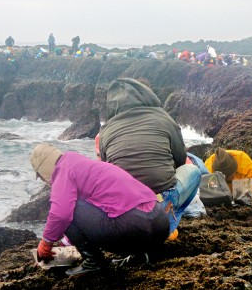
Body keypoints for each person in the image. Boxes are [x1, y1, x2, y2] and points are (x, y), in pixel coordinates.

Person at [30, 143, 169, 276]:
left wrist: (46, 242)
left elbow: (61, 214)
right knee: (112, 205)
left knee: (69, 209)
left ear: (43, 170)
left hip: (134, 228)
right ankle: (140, 255)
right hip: (160, 225)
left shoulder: (62, 170)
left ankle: (94, 262)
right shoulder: (83, 165)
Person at [98, 78, 201, 241]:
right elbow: (181, 160)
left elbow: (104, 168)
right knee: (194, 170)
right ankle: (167, 226)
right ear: (147, 95)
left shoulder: (106, 129)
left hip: (123, 208)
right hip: (158, 200)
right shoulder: (164, 118)